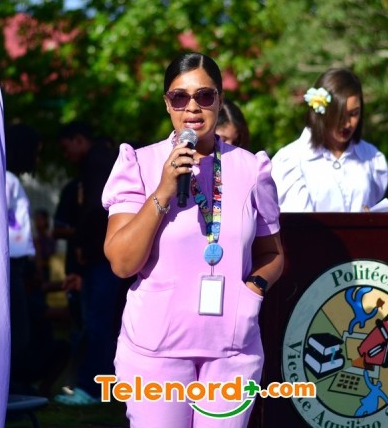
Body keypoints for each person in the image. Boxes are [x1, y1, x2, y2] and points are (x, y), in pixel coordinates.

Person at [101, 52, 285, 427]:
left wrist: (252, 292)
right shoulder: (139, 164)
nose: (192, 108)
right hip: (155, 350)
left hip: (232, 349)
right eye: (179, 97)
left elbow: (273, 253)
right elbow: (121, 262)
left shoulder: (252, 168)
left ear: (219, 99)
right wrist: (164, 190)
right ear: (166, 103)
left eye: (204, 96)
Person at [52, 121, 123, 406]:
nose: (66, 154)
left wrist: (82, 242)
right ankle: (102, 386)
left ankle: (92, 388)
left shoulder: (97, 163)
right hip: (105, 254)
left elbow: (97, 208)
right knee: (102, 323)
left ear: (79, 140)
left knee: (98, 323)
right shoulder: (101, 161)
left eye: (66, 147)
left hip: (103, 256)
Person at [271, 68, 388, 212]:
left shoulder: (372, 157)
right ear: (321, 112)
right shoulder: (291, 160)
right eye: (339, 115)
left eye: (354, 114)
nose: (347, 123)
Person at [4, 123, 41, 395]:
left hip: (15, 264)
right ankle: (8, 385)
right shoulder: (7, 180)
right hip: (8, 264)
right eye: (35, 152)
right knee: (17, 329)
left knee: (19, 327)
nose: (36, 159)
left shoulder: (9, 180)